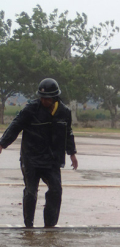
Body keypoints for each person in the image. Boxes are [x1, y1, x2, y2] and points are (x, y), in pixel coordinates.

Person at [0, 78, 78, 228]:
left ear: (54, 97)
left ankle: (49, 226)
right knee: (30, 192)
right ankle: (28, 225)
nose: (44, 101)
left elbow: (68, 133)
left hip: (52, 159)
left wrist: (72, 153)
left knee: (56, 190)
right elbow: (16, 125)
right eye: (42, 97)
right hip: (31, 158)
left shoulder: (64, 112)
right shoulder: (31, 109)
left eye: (47, 98)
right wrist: (2, 143)